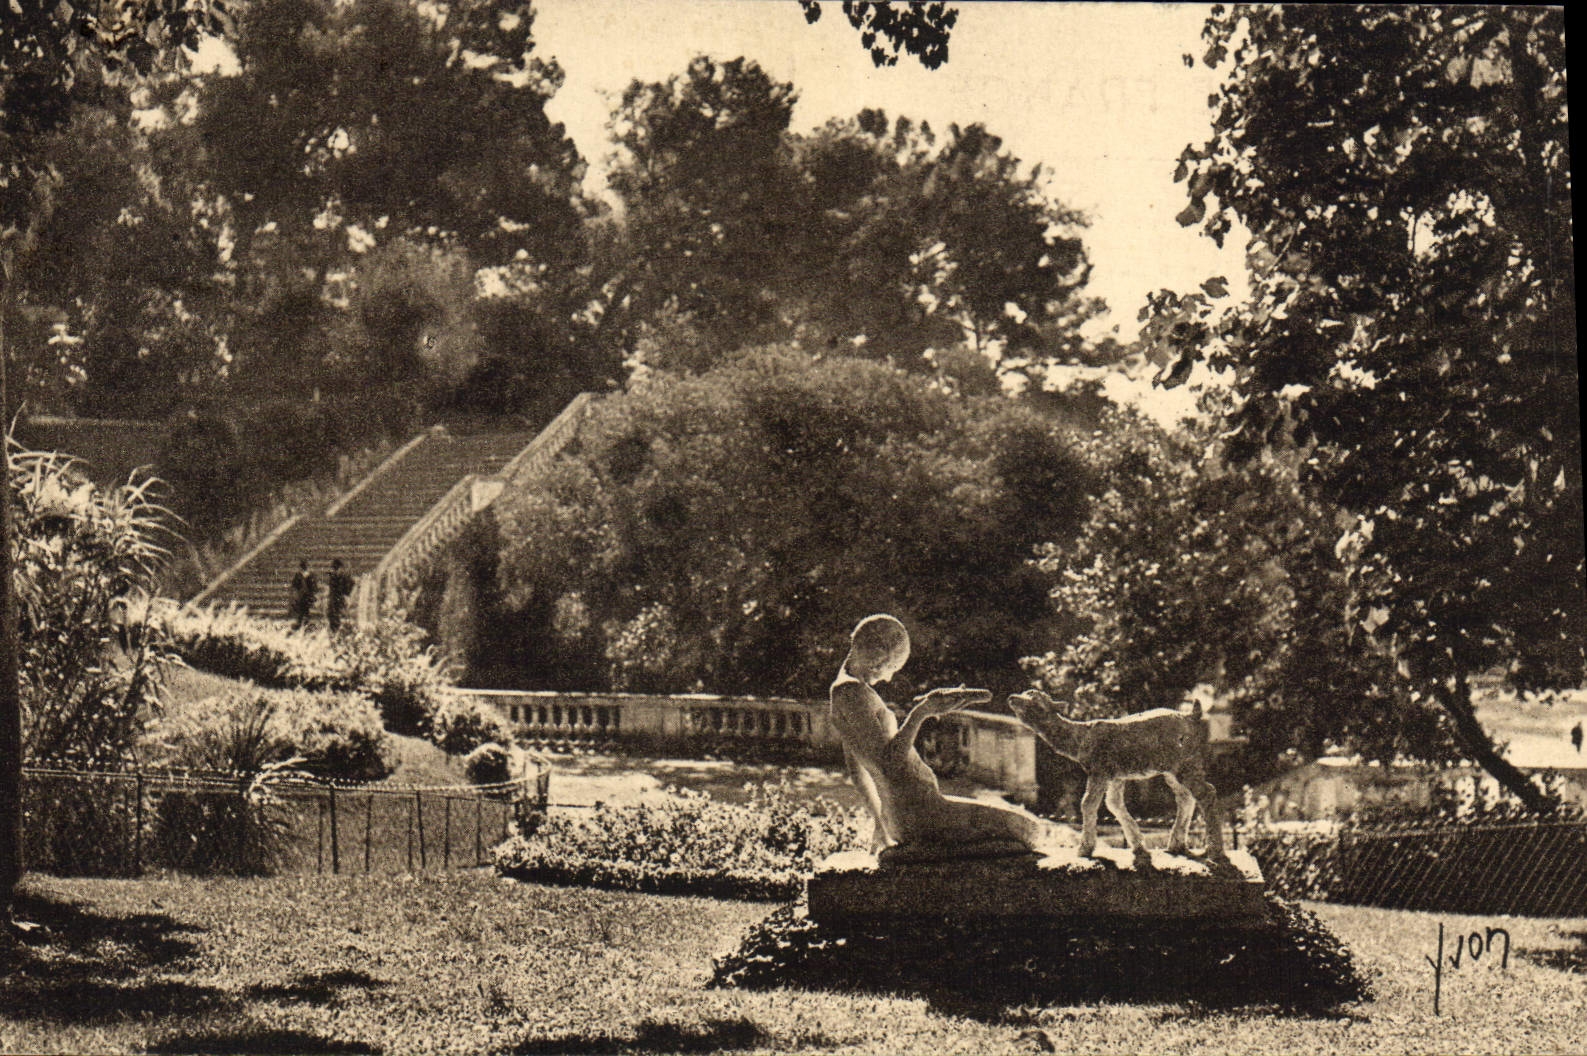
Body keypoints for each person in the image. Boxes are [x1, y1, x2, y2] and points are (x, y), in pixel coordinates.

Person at [830, 613, 1051, 859]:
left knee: (1023, 830)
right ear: (877, 658)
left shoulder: (844, 692)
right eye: (890, 668)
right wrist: (922, 712)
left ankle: (934, 852)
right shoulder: (852, 694)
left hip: (912, 813)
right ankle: (931, 853)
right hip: (921, 814)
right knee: (1029, 831)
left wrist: (882, 824)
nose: (888, 677)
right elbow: (889, 764)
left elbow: (857, 770)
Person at [326, 558, 355, 632]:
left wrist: (346, 594)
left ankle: (337, 629)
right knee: (333, 615)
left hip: (337, 598)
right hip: (335, 598)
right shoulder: (335, 576)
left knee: (336, 614)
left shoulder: (341, 576)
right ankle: (335, 630)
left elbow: (350, 584)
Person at [290, 559, 318, 628]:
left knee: (303, 610)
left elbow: (294, 585)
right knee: (305, 610)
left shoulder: (299, 575)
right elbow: (314, 586)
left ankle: (302, 623)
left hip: (303, 595)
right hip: (305, 595)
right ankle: (304, 623)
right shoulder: (308, 575)